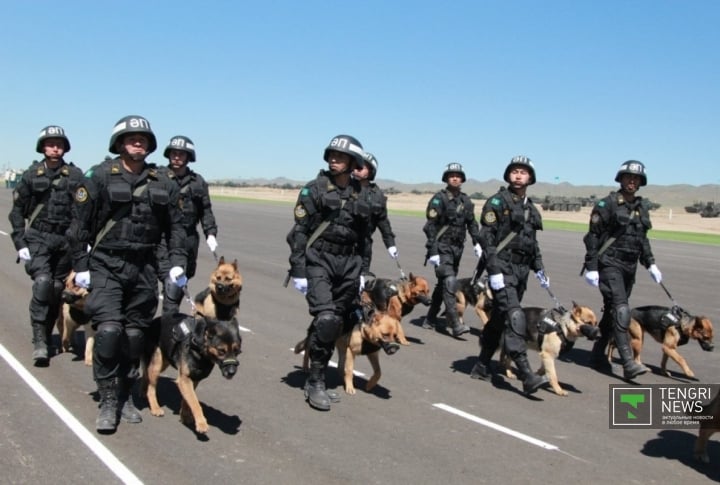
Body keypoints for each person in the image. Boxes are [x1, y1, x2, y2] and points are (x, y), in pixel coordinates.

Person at [67, 115, 187, 433]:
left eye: (143, 139)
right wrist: (81, 266)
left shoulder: (164, 182)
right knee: (108, 333)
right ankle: (108, 400)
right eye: (131, 138)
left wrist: (176, 263)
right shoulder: (99, 176)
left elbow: (176, 229)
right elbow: (79, 225)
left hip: (145, 267)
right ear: (119, 143)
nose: (138, 142)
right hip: (107, 264)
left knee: (135, 337)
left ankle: (128, 393)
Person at [286, 134, 370, 411]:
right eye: (332, 156)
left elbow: (365, 237)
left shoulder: (362, 193)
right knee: (326, 319)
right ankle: (316, 381)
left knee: (336, 324)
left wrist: (363, 273)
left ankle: (317, 375)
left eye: (341, 157)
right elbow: (299, 232)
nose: (334, 160)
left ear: (353, 162)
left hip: (349, 264)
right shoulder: (314, 190)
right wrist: (298, 269)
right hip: (319, 259)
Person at [469, 155, 549, 395]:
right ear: (508, 175)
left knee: (500, 319)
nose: (518, 175)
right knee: (516, 317)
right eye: (514, 171)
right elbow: (487, 240)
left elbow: (532, 244)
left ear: (530, 178)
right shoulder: (496, 202)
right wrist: (493, 272)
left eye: (523, 172)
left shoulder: (531, 209)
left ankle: (482, 365)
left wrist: (540, 268)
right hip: (502, 268)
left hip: (521, 271)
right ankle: (526, 374)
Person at [8, 126, 84, 366]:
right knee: (43, 283)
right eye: (50, 144)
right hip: (39, 238)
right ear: (42, 147)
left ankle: (48, 332)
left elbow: (83, 211)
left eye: (59, 144)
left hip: (65, 242)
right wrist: (20, 241)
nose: (55, 148)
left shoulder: (75, 176)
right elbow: (17, 212)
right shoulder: (32, 175)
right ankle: (40, 340)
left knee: (57, 289)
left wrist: (83, 242)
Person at [583, 160, 661, 379]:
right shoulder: (606, 204)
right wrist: (591, 267)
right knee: (622, 309)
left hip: (630, 267)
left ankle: (598, 356)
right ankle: (628, 362)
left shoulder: (641, 207)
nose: (632, 181)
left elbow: (642, 240)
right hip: (609, 263)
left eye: (636, 178)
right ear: (621, 179)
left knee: (611, 311)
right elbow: (593, 237)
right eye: (628, 177)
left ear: (641, 182)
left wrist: (651, 263)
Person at [157, 135, 218, 316]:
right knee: (169, 285)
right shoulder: (158, 177)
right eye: (174, 154)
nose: (177, 157)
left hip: (188, 240)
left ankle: (169, 325)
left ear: (188, 157)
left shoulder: (198, 182)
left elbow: (206, 210)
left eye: (181, 154)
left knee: (177, 288)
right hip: (160, 238)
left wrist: (211, 233)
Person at [421, 162, 483, 337]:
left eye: (458, 175)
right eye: (451, 175)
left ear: (462, 179)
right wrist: (433, 250)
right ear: (446, 179)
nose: (455, 178)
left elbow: (472, 223)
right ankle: (455, 323)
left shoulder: (466, 201)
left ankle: (430, 318)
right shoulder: (439, 199)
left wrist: (477, 242)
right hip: (442, 247)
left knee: (443, 285)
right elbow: (430, 227)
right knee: (450, 282)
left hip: (457, 248)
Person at [352, 152, 398, 277]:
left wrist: (390, 244)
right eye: (355, 166)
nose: (356, 170)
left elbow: (383, 221)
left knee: (362, 283)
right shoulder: (344, 187)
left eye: (361, 167)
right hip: (344, 244)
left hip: (364, 246)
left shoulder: (377, 195)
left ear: (371, 171)